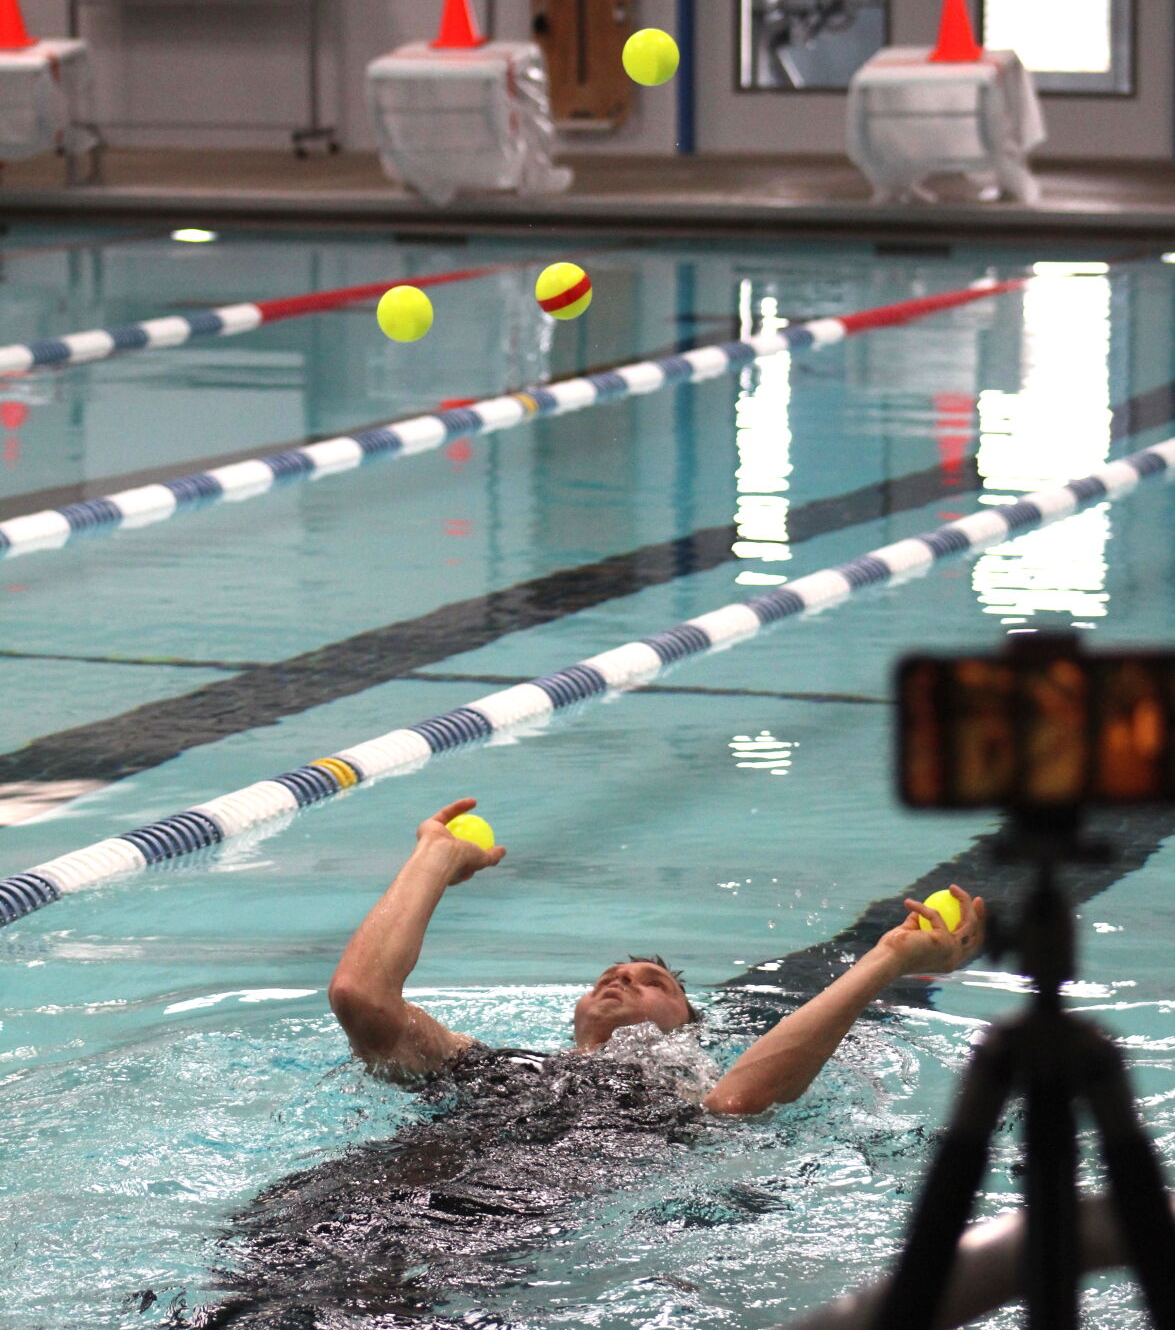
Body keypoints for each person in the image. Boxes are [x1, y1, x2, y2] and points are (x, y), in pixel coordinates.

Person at [328, 796, 987, 1114]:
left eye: (654, 983)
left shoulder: (678, 1096)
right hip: (333, 1219)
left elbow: (744, 1096)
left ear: (688, 1028)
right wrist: (436, 856)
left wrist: (885, 960)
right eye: (609, 976)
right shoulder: (487, 1068)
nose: (621, 977)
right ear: (576, 1012)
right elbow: (362, 997)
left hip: (462, 1263)